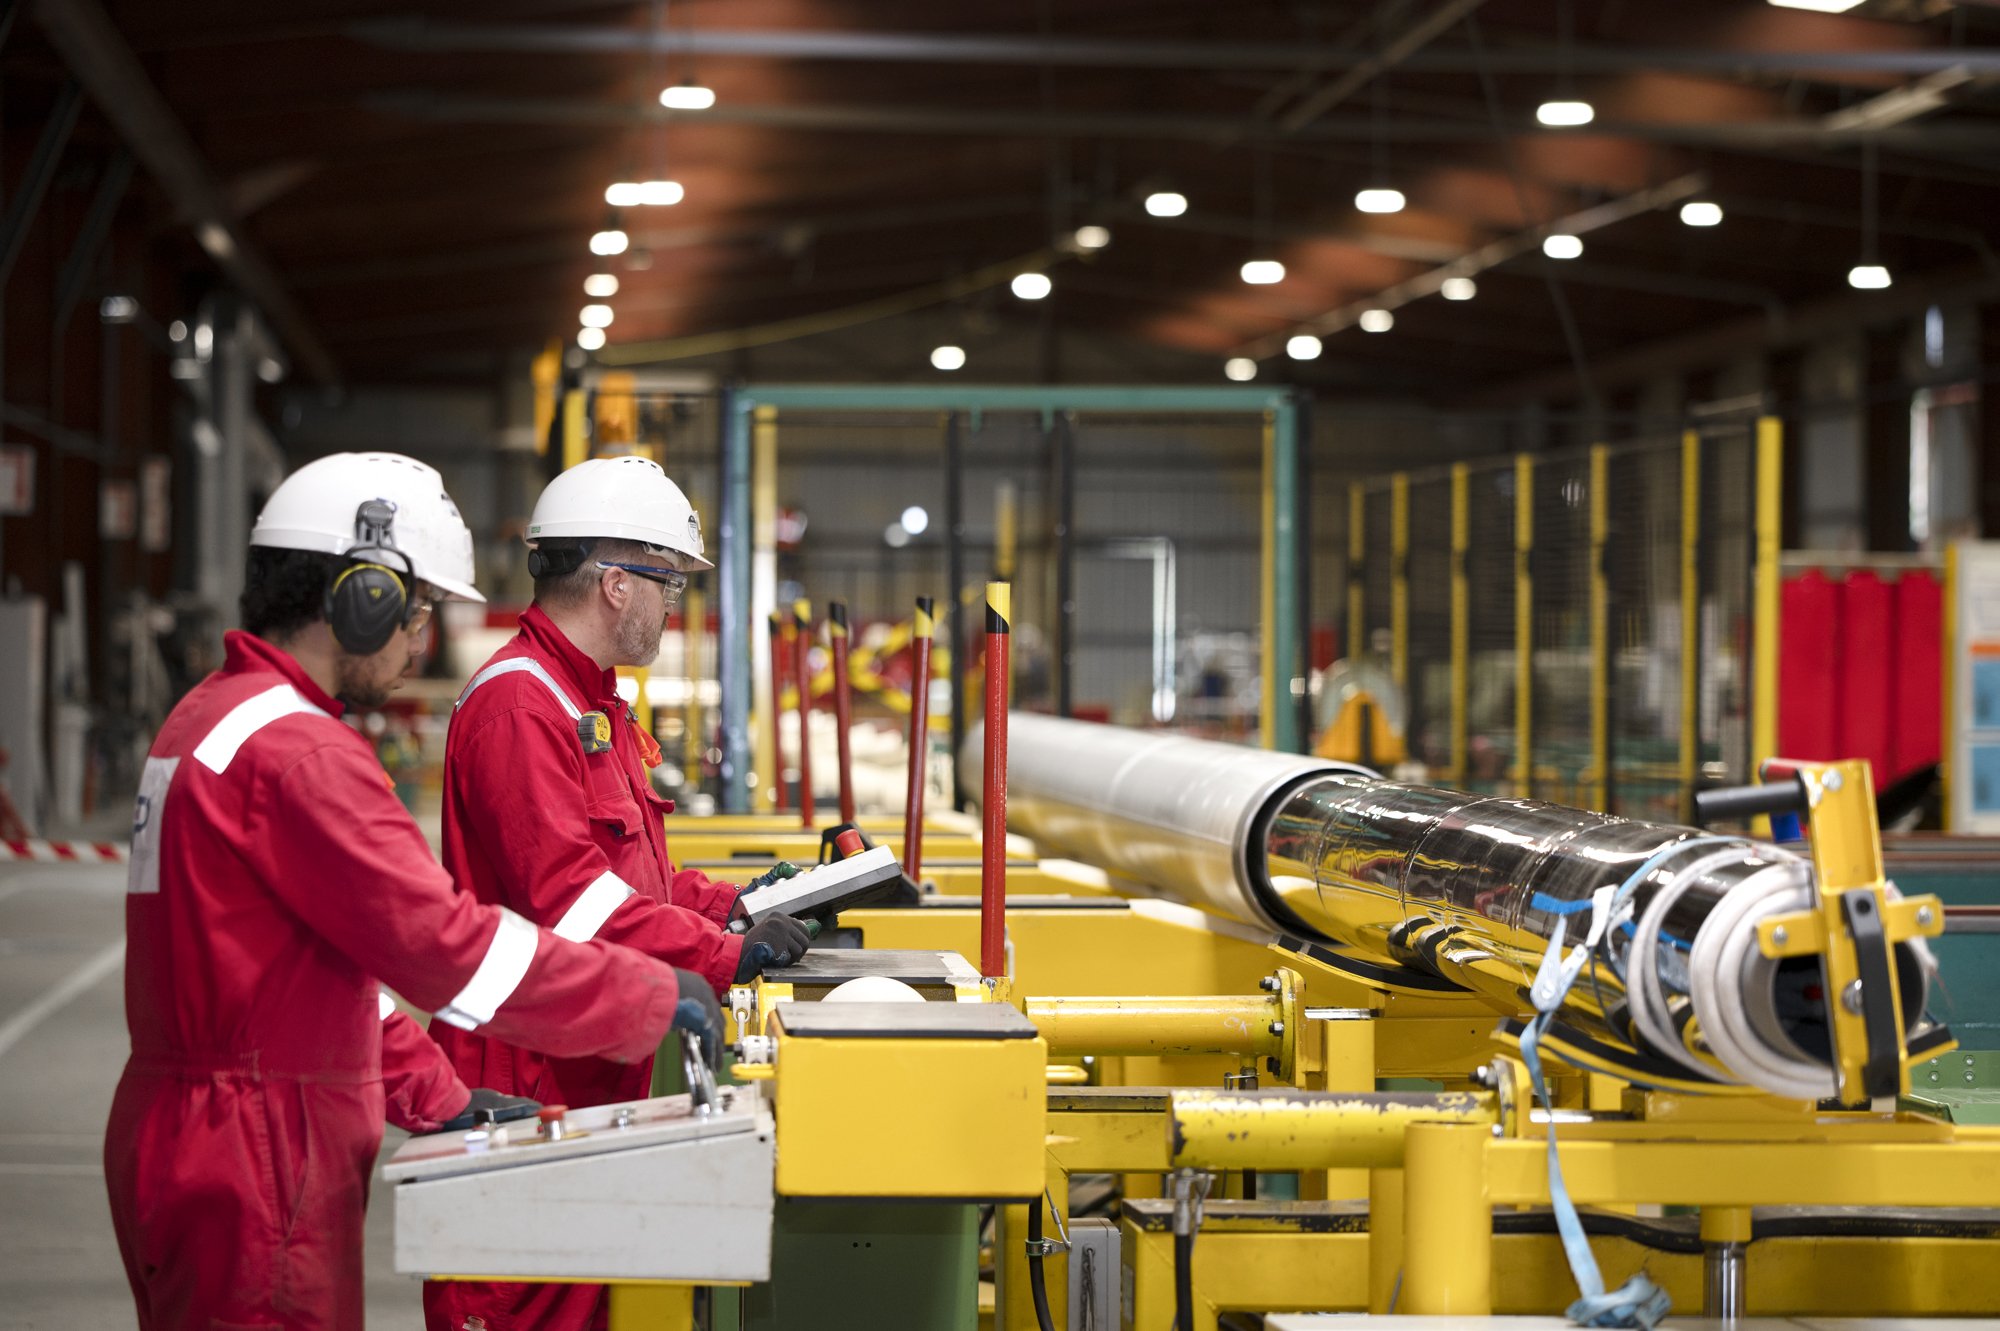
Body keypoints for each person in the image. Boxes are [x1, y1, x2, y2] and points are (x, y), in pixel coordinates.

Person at [104, 452, 726, 1331]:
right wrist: (654, 995)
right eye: (420, 609)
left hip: (201, 1127)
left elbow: (316, 975)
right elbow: (450, 948)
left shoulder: (207, 714)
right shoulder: (301, 755)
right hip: (258, 1147)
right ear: (365, 598)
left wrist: (432, 1095)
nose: (419, 640)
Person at [425, 456, 810, 1331]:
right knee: (523, 1306)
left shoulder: (583, 701)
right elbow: (571, 902)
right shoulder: (522, 709)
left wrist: (732, 908)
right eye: (667, 581)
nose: (673, 605)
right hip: (522, 1084)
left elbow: (627, 876)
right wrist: (718, 958)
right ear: (614, 585)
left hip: (588, 1064)